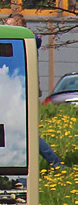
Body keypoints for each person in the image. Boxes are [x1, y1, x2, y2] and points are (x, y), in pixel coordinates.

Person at [6, 11, 64, 167]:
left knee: (25, 131)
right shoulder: (23, 42)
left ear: (18, 26)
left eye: (9, 24)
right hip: (19, 92)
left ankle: (54, 162)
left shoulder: (25, 41)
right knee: (22, 131)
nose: (5, 28)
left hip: (23, 92)